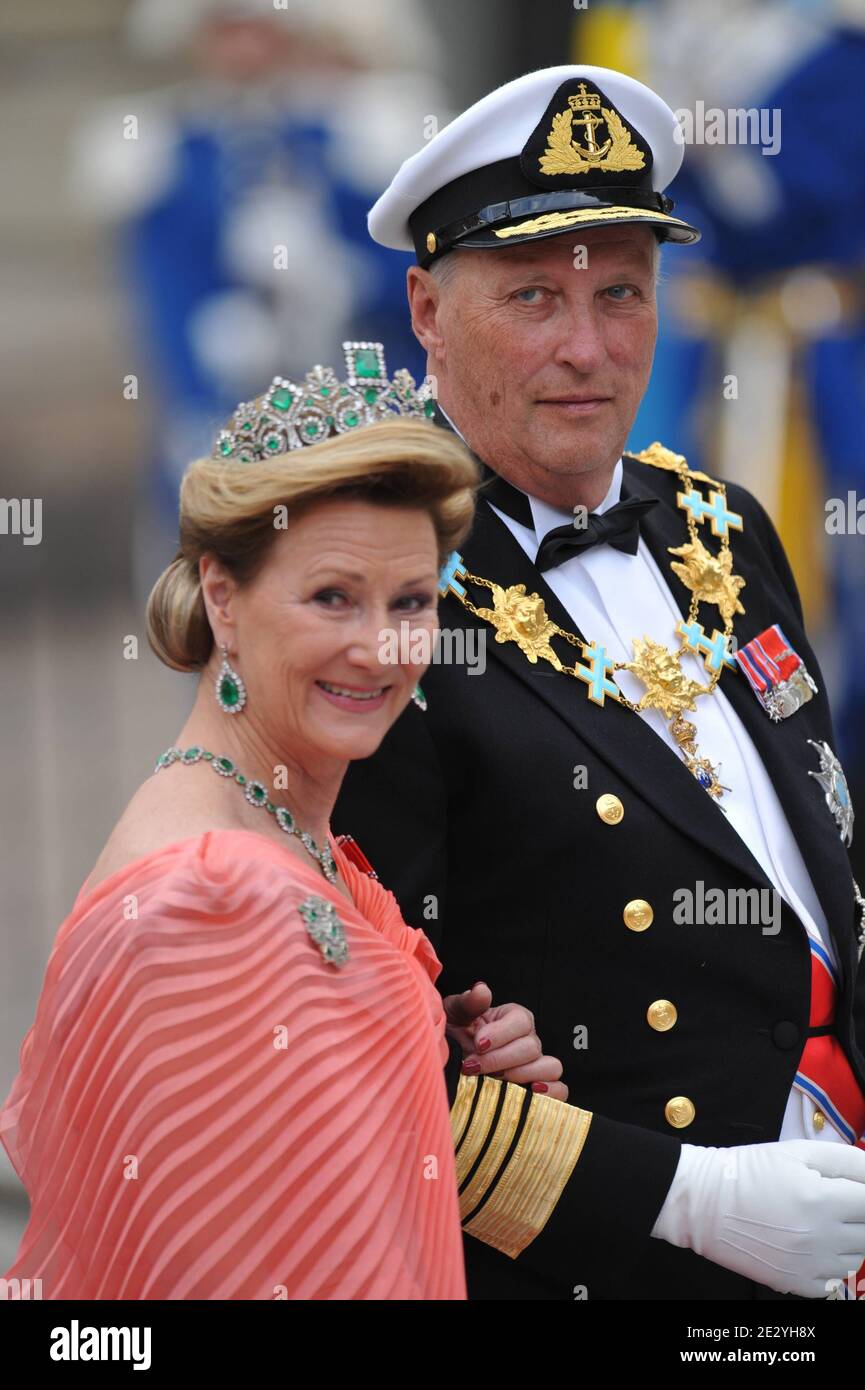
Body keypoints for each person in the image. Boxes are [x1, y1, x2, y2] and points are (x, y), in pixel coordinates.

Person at [333, 65, 865, 1300]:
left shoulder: (715, 524)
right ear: (424, 310)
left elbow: (814, 869)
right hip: (632, 1253)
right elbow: (367, 1053)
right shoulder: (377, 598)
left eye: (621, 292)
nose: (587, 348)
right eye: (531, 296)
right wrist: (696, 1204)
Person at [0, 348, 574, 1300]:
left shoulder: (276, 832)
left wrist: (457, 1098)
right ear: (222, 597)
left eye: (412, 602)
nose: (381, 647)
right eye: (331, 597)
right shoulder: (215, 896)